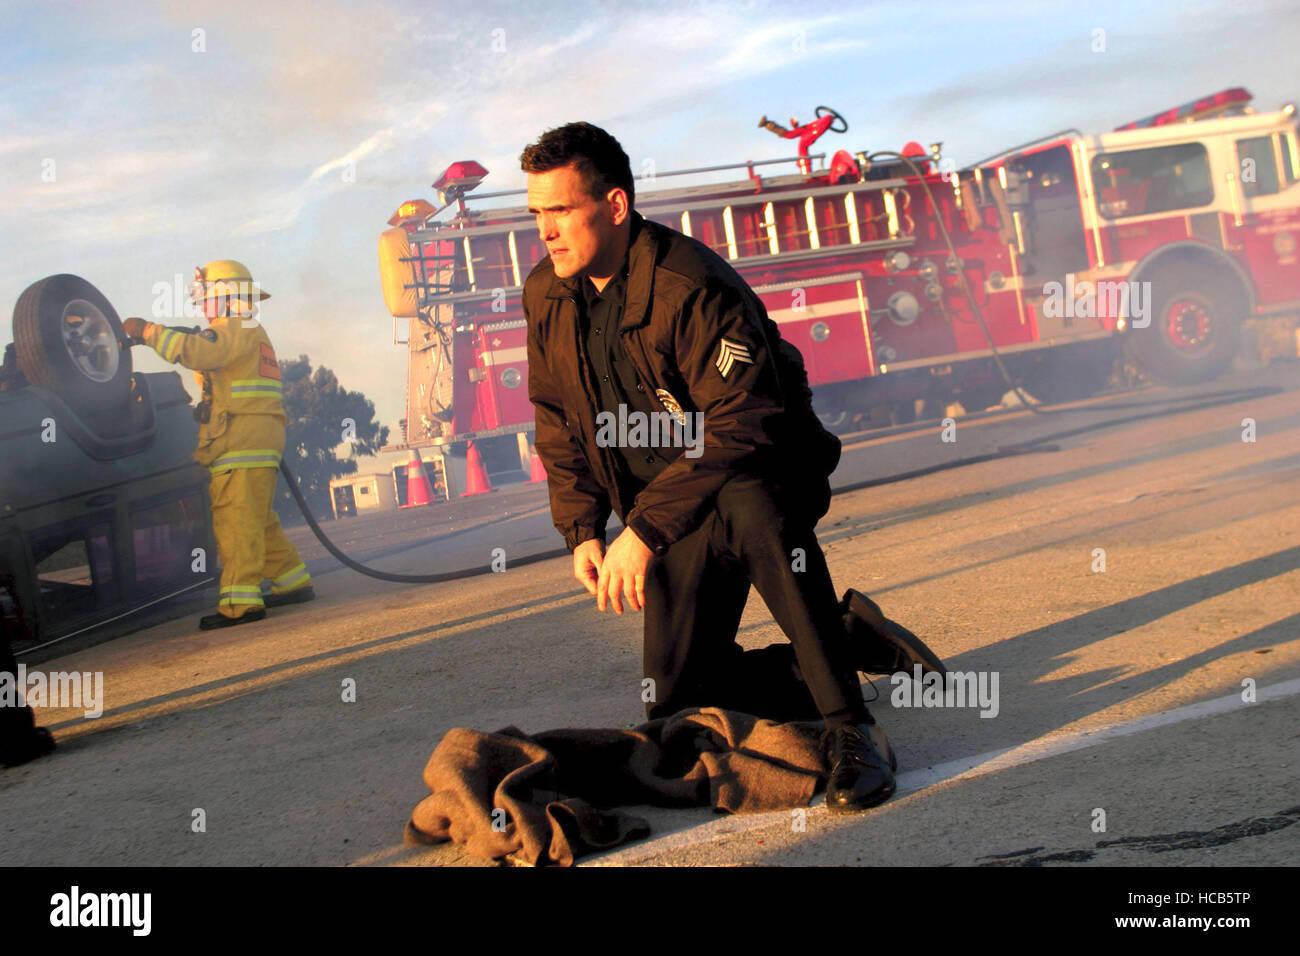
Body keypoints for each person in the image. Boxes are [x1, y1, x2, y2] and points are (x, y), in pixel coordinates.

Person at [520, 123, 944, 813]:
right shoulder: (547, 292)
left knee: (753, 505)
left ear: (617, 206)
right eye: (538, 213)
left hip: (754, 477)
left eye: (561, 210)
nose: (546, 230)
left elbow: (744, 422)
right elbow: (556, 417)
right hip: (672, 507)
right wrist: (584, 529)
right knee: (678, 712)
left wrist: (645, 533)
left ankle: (852, 730)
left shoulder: (690, 284)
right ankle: (843, 642)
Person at [121, 260, 315, 631]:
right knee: (258, 520)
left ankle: (240, 604)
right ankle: (293, 581)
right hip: (255, 439)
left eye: (204, 296)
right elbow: (204, 348)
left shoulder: (235, 328)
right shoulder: (247, 331)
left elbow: (201, 352)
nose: (201, 305)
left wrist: (147, 331)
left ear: (225, 295)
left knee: (236, 522)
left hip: (240, 442)